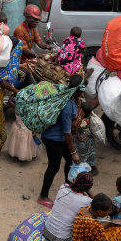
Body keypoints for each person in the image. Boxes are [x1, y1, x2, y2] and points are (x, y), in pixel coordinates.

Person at [38, 75, 82, 207]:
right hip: (54, 139)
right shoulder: (68, 105)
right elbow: (67, 132)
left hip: (58, 137)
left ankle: (68, 188)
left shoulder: (67, 95)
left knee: (68, 161)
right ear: (78, 90)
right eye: (82, 89)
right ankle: (43, 196)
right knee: (54, 165)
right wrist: (74, 151)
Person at [42, 163, 94, 241]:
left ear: (75, 180)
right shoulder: (87, 201)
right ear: (87, 188)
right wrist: (88, 190)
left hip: (46, 231)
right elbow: (98, 203)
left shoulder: (63, 188)